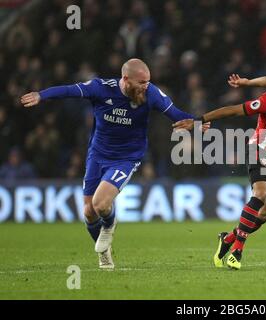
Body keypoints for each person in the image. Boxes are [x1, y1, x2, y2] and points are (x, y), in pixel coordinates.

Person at [20, 58, 206, 269]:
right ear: (126, 79)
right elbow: (69, 90)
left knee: (100, 204)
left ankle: (109, 224)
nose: (146, 86)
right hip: (97, 155)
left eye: (148, 81)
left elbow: (176, 114)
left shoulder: (151, 94)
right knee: (89, 212)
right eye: (142, 82)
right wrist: (41, 95)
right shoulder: (100, 89)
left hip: (127, 158)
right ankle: (105, 253)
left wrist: (198, 121)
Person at [173, 73, 266, 270]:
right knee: (260, 194)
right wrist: (198, 121)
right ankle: (237, 250)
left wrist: (248, 82)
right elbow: (234, 110)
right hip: (259, 148)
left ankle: (228, 239)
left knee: (265, 213)